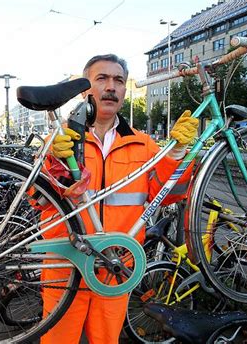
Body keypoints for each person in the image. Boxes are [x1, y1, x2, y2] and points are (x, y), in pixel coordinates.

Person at [40, 54, 199, 344]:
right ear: (84, 89)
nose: (110, 86)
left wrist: (177, 154)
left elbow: (169, 196)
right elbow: (37, 200)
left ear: (125, 91)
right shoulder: (61, 138)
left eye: (119, 80)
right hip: (65, 266)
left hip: (115, 267)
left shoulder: (143, 143)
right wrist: (53, 160)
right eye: (101, 78)